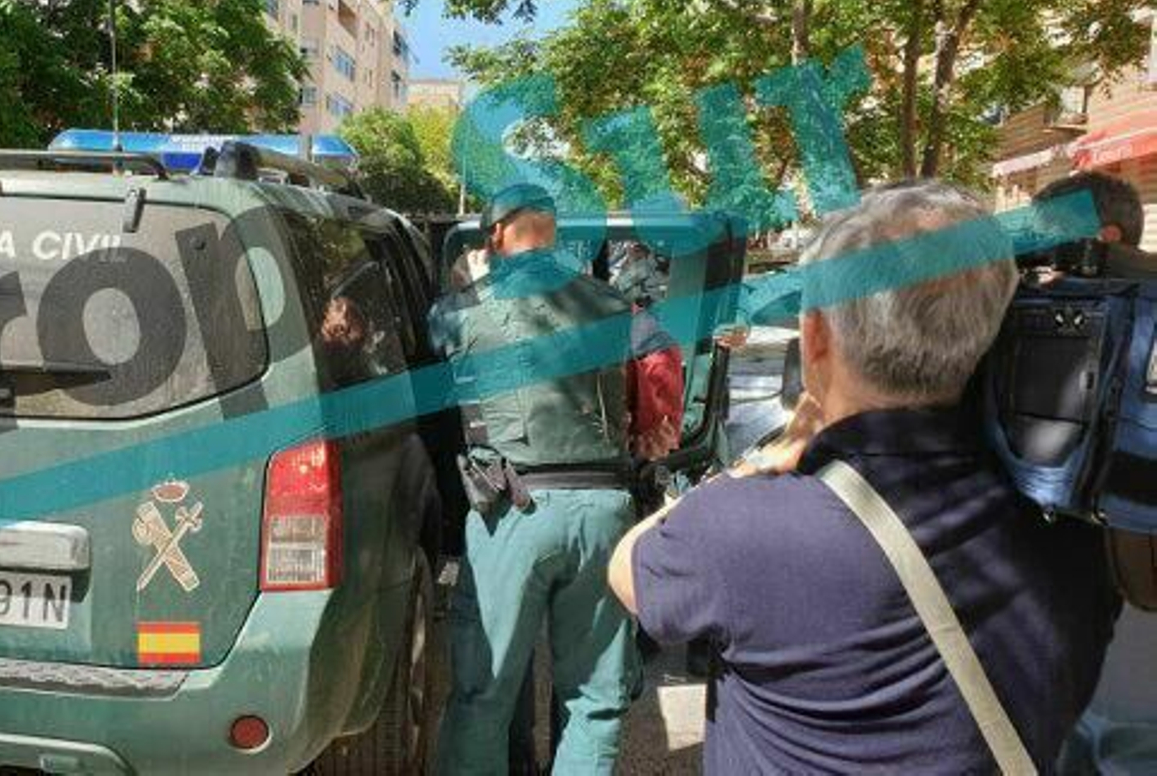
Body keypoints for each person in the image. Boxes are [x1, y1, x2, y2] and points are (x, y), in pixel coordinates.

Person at [609, 181, 1119, 774]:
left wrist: (769, 455)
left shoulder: (744, 529)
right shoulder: (1082, 529)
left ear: (817, 337)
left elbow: (628, 568)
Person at [430, 183, 676, 775]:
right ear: (555, 235)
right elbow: (662, 363)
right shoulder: (617, 305)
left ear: (493, 237)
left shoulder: (457, 310)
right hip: (604, 511)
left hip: (512, 510)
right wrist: (650, 429)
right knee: (595, 700)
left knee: (483, 693)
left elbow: (437, 373)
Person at [1037, 171, 1157, 776]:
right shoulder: (1049, 331)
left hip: (1134, 665)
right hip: (1069, 661)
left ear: (1104, 240)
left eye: (1050, 245)